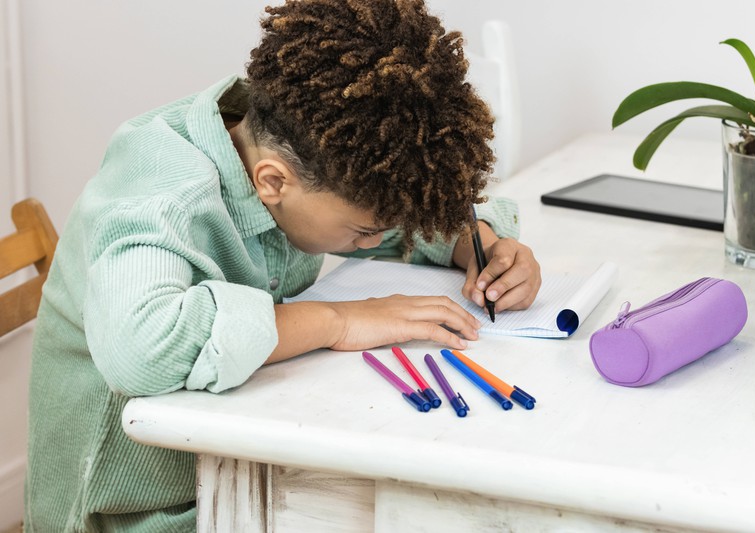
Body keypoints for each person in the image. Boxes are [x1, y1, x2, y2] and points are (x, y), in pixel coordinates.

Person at [24, 0, 541, 530]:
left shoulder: (297, 152)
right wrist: (338, 321)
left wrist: (472, 240)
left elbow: (373, 210)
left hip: (243, 458)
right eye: (366, 232)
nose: (374, 244)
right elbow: (144, 348)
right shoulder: (160, 193)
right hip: (134, 502)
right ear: (272, 183)